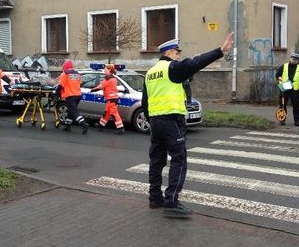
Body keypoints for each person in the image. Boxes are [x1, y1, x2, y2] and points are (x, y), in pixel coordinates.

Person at [142, 33, 234, 219]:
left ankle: (155, 198)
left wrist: (152, 120)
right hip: (171, 120)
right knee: (179, 159)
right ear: (169, 53)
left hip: (155, 122)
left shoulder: (150, 73)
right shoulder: (172, 68)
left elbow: (145, 102)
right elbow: (195, 62)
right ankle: (172, 202)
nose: (178, 56)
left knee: (157, 160)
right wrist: (220, 51)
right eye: (176, 52)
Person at [91, 64, 125, 135]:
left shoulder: (108, 79)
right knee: (107, 113)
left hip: (111, 99)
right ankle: (101, 125)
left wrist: (93, 89)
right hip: (113, 98)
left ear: (109, 70)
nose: (104, 70)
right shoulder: (113, 78)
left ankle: (120, 128)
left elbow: (101, 86)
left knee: (114, 114)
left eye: (105, 69)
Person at [56, 60, 88, 134]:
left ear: (65, 67)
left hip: (70, 96)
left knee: (74, 111)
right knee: (70, 111)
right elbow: (79, 83)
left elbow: (61, 85)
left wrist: (57, 93)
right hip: (78, 95)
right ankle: (68, 126)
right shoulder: (77, 74)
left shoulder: (65, 73)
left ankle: (83, 124)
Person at [276, 53, 299, 126]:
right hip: (285, 88)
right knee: (282, 105)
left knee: (296, 106)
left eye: (296, 59)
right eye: (293, 59)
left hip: (295, 89)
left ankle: (297, 121)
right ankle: (282, 119)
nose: (294, 61)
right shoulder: (284, 66)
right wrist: (282, 80)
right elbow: (278, 75)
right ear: (290, 58)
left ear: (297, 60)